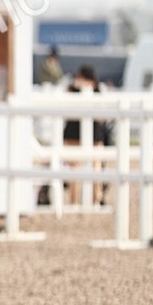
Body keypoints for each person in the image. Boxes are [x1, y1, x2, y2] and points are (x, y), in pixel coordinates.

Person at [63, 64, 108, 204]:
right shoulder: (96, 90)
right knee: (89, 169)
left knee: (85, 169)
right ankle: (89, 199)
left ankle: (84, 200)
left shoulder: (74, 89)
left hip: (81, 134)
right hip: (85, 134)